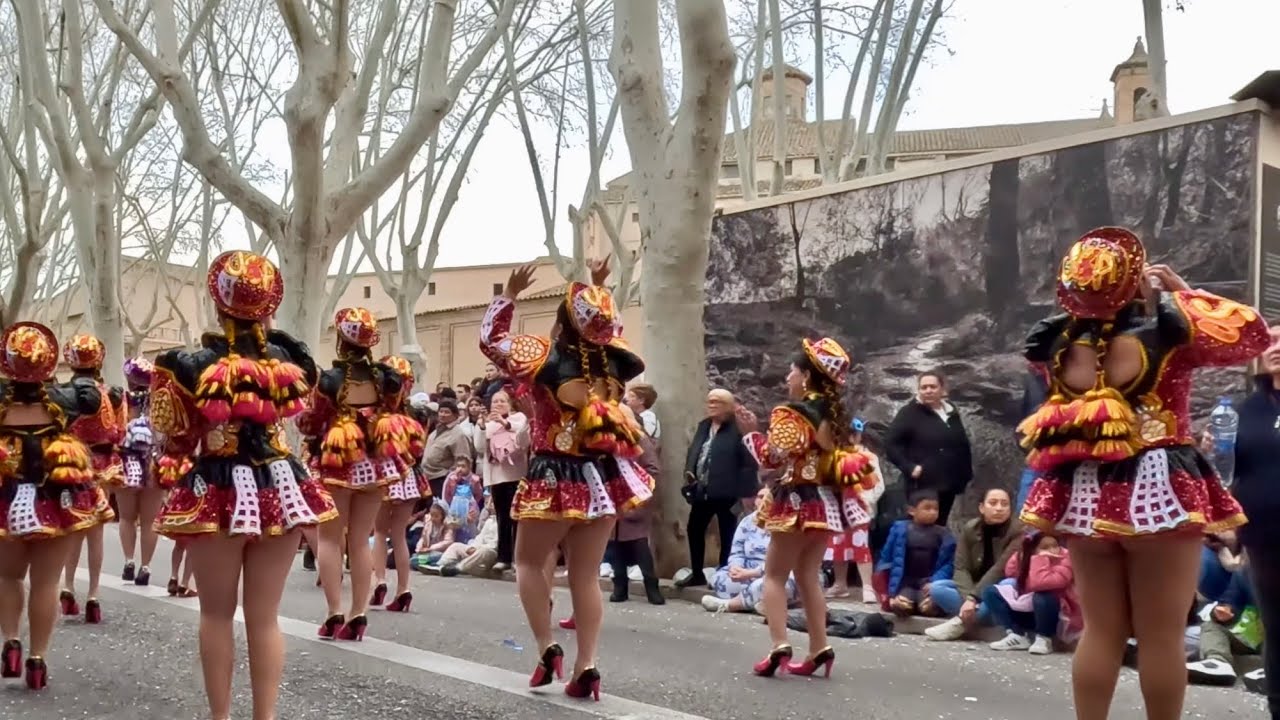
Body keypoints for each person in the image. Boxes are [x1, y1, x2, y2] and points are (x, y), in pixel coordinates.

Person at [1017, 228, 1268, 720]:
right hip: (1161, 487)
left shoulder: (1055, 349)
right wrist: (1180, 292)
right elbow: (1250, 335)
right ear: (1133, 283)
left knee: (1101, 630)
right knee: (1161, 634)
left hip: (1086, 487)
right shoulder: (1168, 336)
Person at [150, 250, 337, 719]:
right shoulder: (291, 361)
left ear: (218, 303)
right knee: (264, 618)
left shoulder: (186, 364)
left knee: (215, 614)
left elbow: (174, 433)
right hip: (280, 484)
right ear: (269, 306)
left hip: (216, 487)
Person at [479, 260, 653, 701]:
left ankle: (546, 647)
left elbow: (491, 341)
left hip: (553, 473)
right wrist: (599, 287)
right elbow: (606, 333)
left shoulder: (544, 356)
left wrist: (508, 299)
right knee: (586, 576)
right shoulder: (614, 366)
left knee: (527, 563)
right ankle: (587, 664)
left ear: (561, 322)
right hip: (601, 477)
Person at [742, 337, 879, 678]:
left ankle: (779, 644)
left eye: (791, 371)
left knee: (774, 575)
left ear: (805, 376)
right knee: (808, 576)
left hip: (797, 498)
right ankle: (820, 647)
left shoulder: (795, 413)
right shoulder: (835, 417)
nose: (787, 377)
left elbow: (772, 457)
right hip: (826, 504)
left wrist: (750, 433)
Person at [297, 307, 415, 640]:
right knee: (361, 541)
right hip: (375, 464)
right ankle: (358, 614)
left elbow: (312, 421)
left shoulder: (330, 380)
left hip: (339, 463)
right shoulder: (385, 378)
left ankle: (334, 611)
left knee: (331, 540)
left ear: (341, 339)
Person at [0, 322, 105, 690]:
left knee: (8, 577)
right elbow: (89, 393)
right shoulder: (67, 399)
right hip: (57, 499)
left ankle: (11, 640)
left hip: (6, 501)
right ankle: (38, 660)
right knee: (46, 583)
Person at [1231, 323, 1280, 714]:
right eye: (1270, 341)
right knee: (1277, 631)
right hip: (1263, 538)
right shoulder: (1247, 409)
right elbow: (1239, 471)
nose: (1274, 348)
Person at [59, 334, 122, 624]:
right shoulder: (114, 395)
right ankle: (94, 595)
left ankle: (68, 585)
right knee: (96, 532)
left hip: (71, 465)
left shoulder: (62, 394)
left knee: (74, 526)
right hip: (104, 465)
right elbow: (119, 433)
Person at [676, 389, 759, 588]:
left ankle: (724, 573)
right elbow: (695, 450)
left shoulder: (737, 428)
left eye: (718, 402)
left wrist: (746, 492)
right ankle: (697, 572)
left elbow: (749, 462)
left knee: (727, 533)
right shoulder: (704, 426)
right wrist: (689, 472)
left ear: (730, 407)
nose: (712, 405)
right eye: (710, 401)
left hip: (728, 491)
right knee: (694, 528)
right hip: (702, 489)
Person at [370, 355, 430, 614]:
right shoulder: (417, 415)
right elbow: (419, 450)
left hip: (383, 474)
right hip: (410, 475)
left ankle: (380, 580)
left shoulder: (376, 414)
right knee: (400, 535)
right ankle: (404, 589)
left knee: (380, 533)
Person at [926, 487, 1023, 641]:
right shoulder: (971, 528)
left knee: (1007, 585)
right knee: (937, 588)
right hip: (974, 588)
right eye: (993, 503)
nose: (999, 508)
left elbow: (999, 569)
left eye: (1004, 504)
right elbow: (961, 567)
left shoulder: (1018, 531)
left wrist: (973, 599)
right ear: (982, 507)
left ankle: (960, 623)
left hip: (998, 587)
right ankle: (978, 614)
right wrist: (970, 599)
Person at [885, 370, 974, 527]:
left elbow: (961, 442)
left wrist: (965, 474)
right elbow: (891, 444)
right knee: (921, 527)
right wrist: (909, 467)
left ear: (942, 389)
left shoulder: (950, 411)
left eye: (932, 387)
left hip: (949, 483)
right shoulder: (909, 413)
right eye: (924, 387)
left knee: (940, 526)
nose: (928, 391)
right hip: (923, 484)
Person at [701, 487, 798, 614]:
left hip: (773, 570)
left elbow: (783, 559)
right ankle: (758, 602)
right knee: (721, 578)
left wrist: (752, 573)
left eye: (767, 497)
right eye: (760, 497)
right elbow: (737, 551)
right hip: (746, 570)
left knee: (773, 583)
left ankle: (730, 605)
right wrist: (736, 568)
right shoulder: (747, 521)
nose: (762, 501)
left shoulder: (786, 522)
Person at [983, 531, 1080, 655]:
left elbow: (1041, 584)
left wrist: (1041, 559)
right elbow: (1010, 572)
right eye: (1044, 547)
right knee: (990, 592)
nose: (1052, 550)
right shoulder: (1028, 556)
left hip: (1056, 615)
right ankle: (1016, 634)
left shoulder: (1066, 559)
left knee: (1042, 596)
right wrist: (1024, 556)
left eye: (1055, 546)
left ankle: (1044, 638)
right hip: (1031, 609)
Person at [117, 357, 167, 592]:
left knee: (127, 517)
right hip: (153, 465)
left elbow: (114, 431)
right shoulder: (160, 403)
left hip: (127, 463)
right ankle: (145, 567)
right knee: (149, 521)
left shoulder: (122, 402)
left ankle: (128, 560)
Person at [607, 404, 664, 605]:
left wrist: (640, 493)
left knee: (639, 545)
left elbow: (653, 469)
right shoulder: (606, 441)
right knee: (615, 545)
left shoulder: (639, 439)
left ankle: (652, 586)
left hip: (636, 496)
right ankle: (619, 585)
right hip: (613, 498)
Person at [824, 418, 884, 603]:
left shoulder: (868, 457)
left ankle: (867, 585)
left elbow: (877, 484)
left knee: (860, 545)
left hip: (857, 506)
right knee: (837, 546)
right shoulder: (831, 457)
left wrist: (865, 499)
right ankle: (840, 583)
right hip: (836, 507)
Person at [1186, 548, 1260, 687]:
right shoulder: (1244, 574)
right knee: (1211, 626)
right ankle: (1218, 662)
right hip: (1249, 637)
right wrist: (1222, 612)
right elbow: (1230, 602)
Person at [876, 489, 955, 617]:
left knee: (928, 608)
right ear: (911, 510)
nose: (932, 512)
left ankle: (929, 605)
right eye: (927, 508)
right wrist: (889, 594)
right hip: (905, 582)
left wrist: (935, 582)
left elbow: (949, 564)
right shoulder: (899, 530)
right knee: (902, 605)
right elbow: (885, 561)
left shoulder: (944, 534)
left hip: (928, 583)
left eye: (936, 509)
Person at [484, 389, 528, 571]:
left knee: (517, 517)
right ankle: (504, 557)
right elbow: (481, 448)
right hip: (496, 476)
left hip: (516, 474)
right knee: (502, 517)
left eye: (502, 401)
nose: (498, 404)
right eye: (495, 401)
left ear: (510, 403)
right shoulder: (488, 424)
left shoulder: (519, 418)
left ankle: (519, 558)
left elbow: (524, 441)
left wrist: (505, 422)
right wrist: (481, 427)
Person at [420, 399, 472, 500]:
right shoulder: (435, 430)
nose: (443, 414)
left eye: (447, 412)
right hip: (427, 478)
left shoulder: (458, 434)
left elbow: (463, 460)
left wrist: (452, 479)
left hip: (442, 479)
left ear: (455, 415)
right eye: (441, 411)